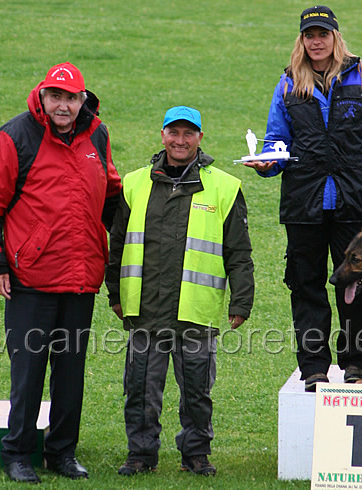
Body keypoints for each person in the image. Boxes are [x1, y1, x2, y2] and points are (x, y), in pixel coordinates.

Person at [0, 62, 122, 483]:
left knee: (71, 375)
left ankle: (62, 453)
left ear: (82, 100)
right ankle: (18, 454)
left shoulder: (98, 135)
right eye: (55, 96)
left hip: (81, 277)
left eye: (71, 98)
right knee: (29, 373)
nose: (63, 105)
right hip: (30, 280)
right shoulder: (15, 136)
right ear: (42, 96)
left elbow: (110, 192)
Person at [244, 6, 362, 391]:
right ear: (302, 39)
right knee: (305, 285)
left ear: (335, 37)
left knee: (353, 285)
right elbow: (277, 142)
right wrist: (268, 164)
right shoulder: (287, 85)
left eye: (322, 34)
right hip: (303, 205)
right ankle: (313, 367)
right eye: (309, 35)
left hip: (351, 202)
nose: (316, 42)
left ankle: (353, 361)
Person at [105, 106, 254, 476]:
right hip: (144, 309)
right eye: (174, 132)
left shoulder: (224, 187)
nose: (181, 140)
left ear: (200, 138)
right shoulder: (134, 183)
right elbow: (118, 244)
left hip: (195, 310)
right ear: (162, 135)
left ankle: (196, 454)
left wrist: (242, 301)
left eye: (189, 134)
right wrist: (114, 294)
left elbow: (239, 252)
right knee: (139, 389)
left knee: (197, 393)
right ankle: (140, 455)